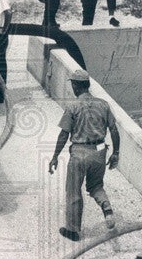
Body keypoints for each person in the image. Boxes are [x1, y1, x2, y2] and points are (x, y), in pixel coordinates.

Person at [48, 69, 121, 242]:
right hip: (100, 151)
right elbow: (114, 130)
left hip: (80, 153)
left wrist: (54, 156)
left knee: (73, 191)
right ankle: (107, 210)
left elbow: (64, 134)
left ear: (75, 85)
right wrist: (116, 153)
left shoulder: (73, 107)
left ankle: (72, 231)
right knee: (95, 186)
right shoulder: (103, 104)